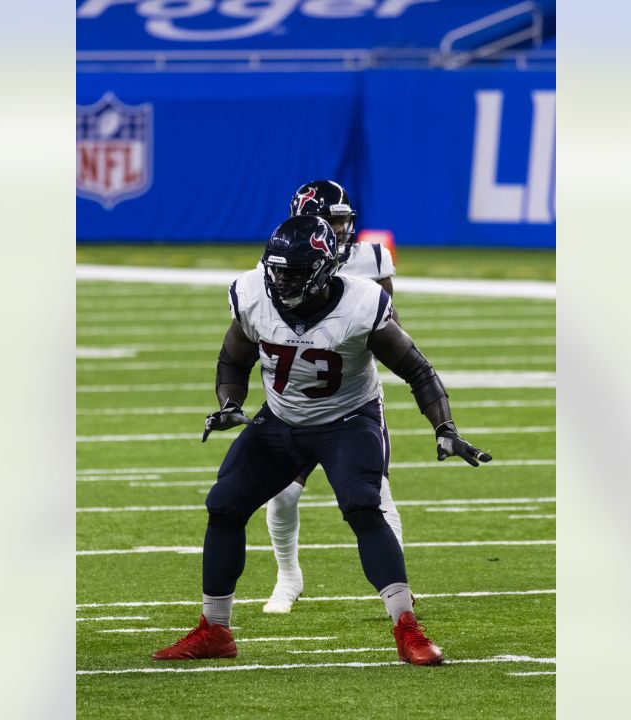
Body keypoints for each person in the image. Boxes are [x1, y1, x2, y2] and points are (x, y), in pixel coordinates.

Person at [150, 215, 492, 666]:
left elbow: (417, 370)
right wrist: (230, 402)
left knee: (363, 507)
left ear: (324, 268)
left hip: (347, 421)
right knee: (225, 503)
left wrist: (445, 428)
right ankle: (215, 629)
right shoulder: (254, 295)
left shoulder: (360, 305)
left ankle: (407, 628)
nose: (280, 278)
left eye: (293, 270)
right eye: (276, 269)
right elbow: (234, 359)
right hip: (280, 419)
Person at [263, 179, 400, 614]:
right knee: (281, 494)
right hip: (299, 397)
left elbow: (388, 323)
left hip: (353, 398)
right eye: (334, 221)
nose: (343, 230)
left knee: (376, 494)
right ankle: (288, 578)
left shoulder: (372, 258)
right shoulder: (285, 262)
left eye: (344, 221)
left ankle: (399, 589)